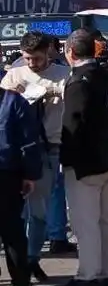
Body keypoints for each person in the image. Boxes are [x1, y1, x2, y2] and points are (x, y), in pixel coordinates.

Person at [53, 29, 108, 286]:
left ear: (70, 52)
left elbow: (73, 125)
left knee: (85, 222)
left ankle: (87, 275)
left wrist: (66, 160)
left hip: (85, 162)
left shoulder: (77, 82)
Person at [2, 33, 72, 273]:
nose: (32, 63)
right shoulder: (13, 75)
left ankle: (31, 259)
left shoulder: (63, 76)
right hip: (17, 149)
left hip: (49, 146)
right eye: (27, 58)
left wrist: (51, 94)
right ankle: (21, 261)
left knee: (40, 211)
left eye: (37, 59)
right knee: (16, 212)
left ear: (49, 52)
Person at [0, 82, 43, 286]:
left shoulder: (14, 100)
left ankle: (21, 282)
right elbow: (29, 141)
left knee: (13, 230)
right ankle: (21, 283)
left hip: (8, 169)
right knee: (12, 230)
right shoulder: (13, 100)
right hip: (7, 172)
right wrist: (30, 174)